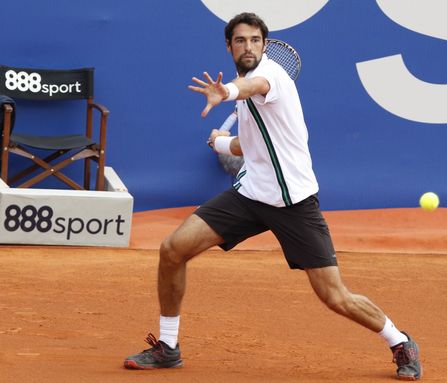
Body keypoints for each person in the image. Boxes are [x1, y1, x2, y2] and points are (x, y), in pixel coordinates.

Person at [123, 12, 422, 381]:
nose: (248, 47)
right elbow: (247, 145)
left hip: (293, 203)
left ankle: (399, 341)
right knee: (173, 249)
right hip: (250, 195)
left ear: (264, 46)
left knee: (334, 296)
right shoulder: (248, 85)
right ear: (229, 46)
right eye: (240, 41)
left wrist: (227, 92)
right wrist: (218, 141)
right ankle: (168, 348)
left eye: (254, 40)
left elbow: (250, 87)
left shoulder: (270, 77)